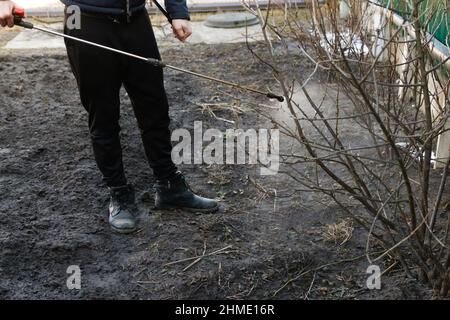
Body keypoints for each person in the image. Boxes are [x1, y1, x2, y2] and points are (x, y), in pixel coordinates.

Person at [0, 0, 219, 234]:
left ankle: (169, 186)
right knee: (103, 115)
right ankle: (119, 193)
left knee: (155, 108)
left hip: (136, 20)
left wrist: (177, 11)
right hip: (85, 20)